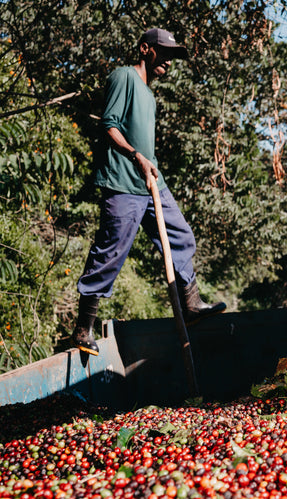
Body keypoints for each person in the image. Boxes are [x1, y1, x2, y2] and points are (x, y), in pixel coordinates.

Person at [72, 28, 226, 356]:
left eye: (173, 57)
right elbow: (109, 125)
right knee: (110, 252)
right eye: (164, 54)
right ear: (145, 49)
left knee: (181, 237)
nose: (169, 62)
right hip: (123, 181)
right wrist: (136, 156)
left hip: (151, 181)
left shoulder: (150, 94)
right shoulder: (124, 76)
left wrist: (148, 163)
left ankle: (192, 305)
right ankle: (83, 327)